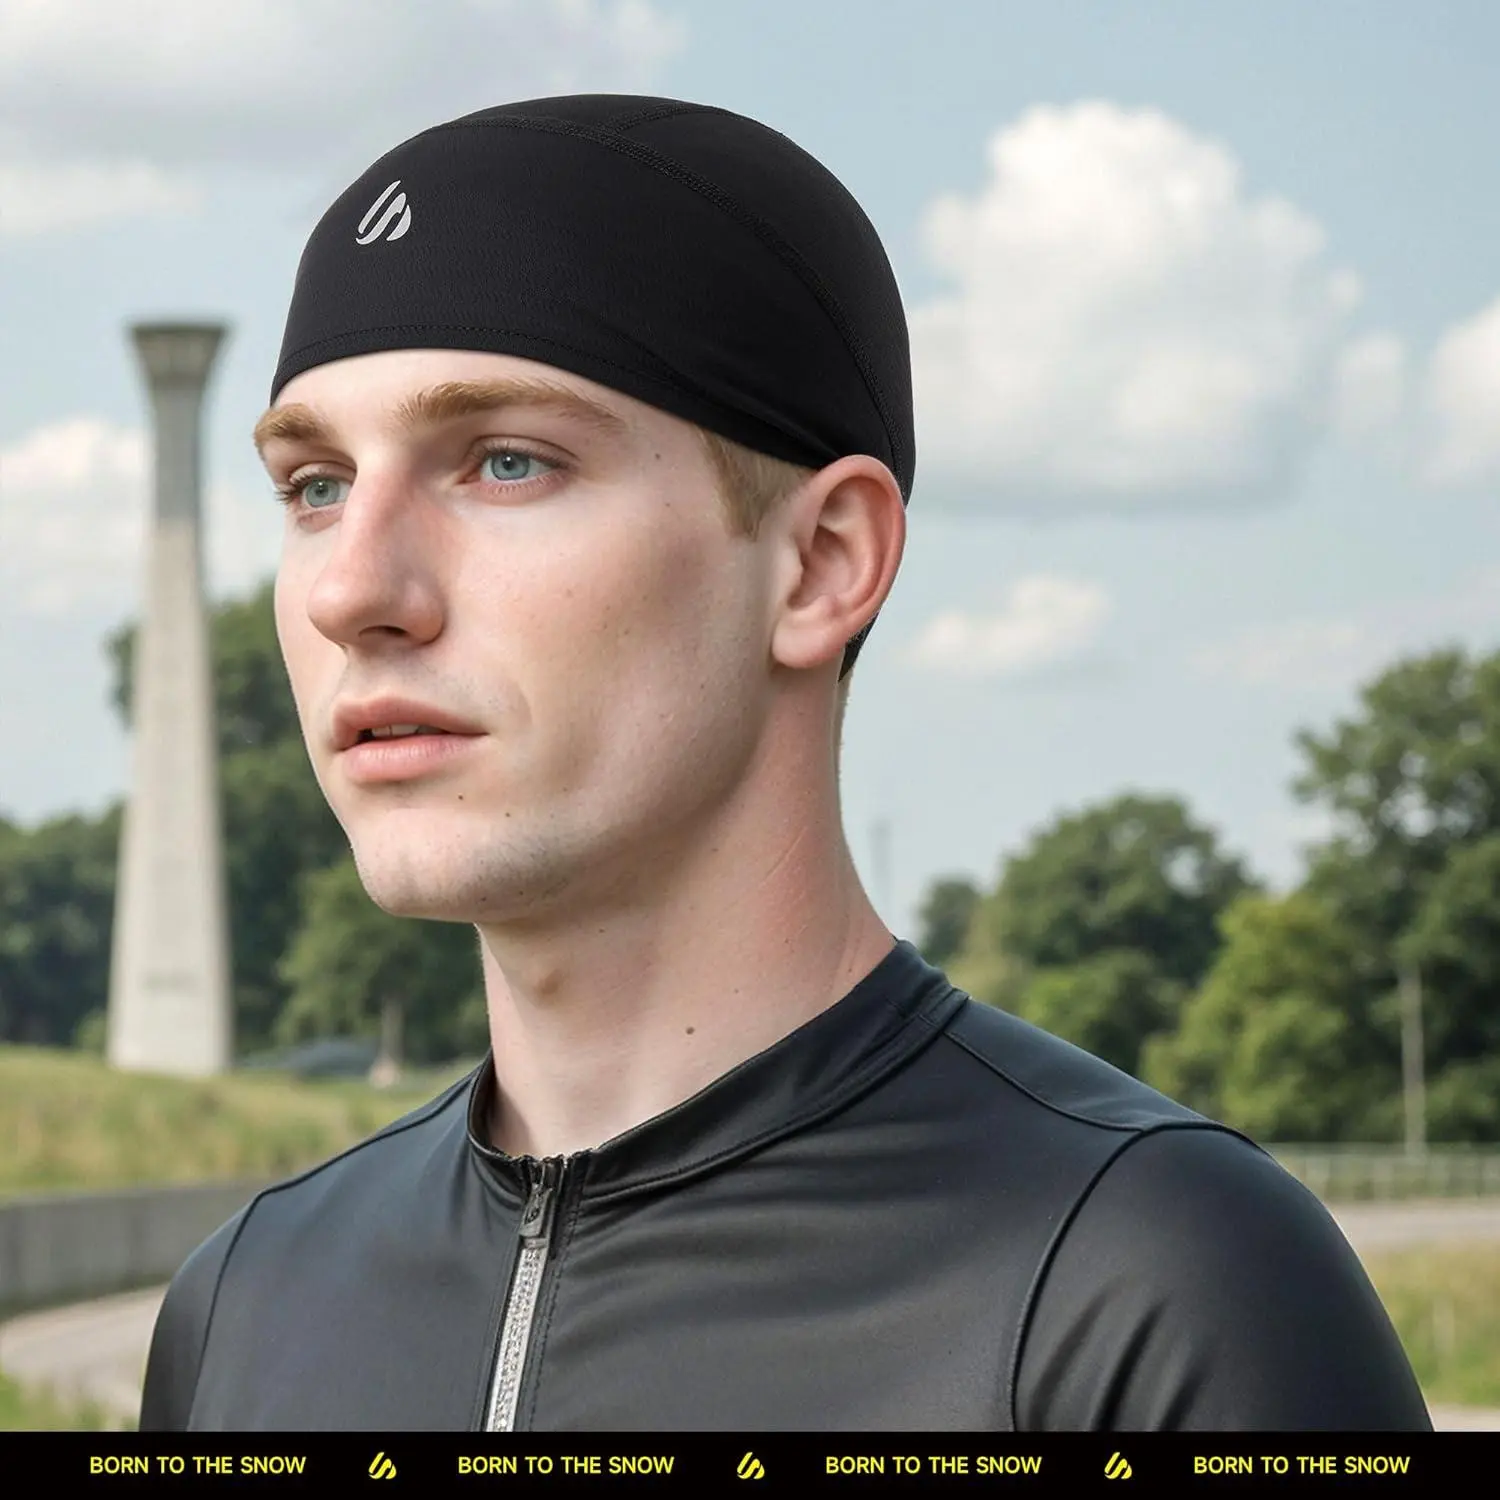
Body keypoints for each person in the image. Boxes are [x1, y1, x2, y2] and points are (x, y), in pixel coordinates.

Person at [139, 93, 1432, 1433]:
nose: (351, 590)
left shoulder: (1152, 1285)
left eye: (507, 462)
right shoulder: (245, 1307)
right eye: (316, 485)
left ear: (821, 564)